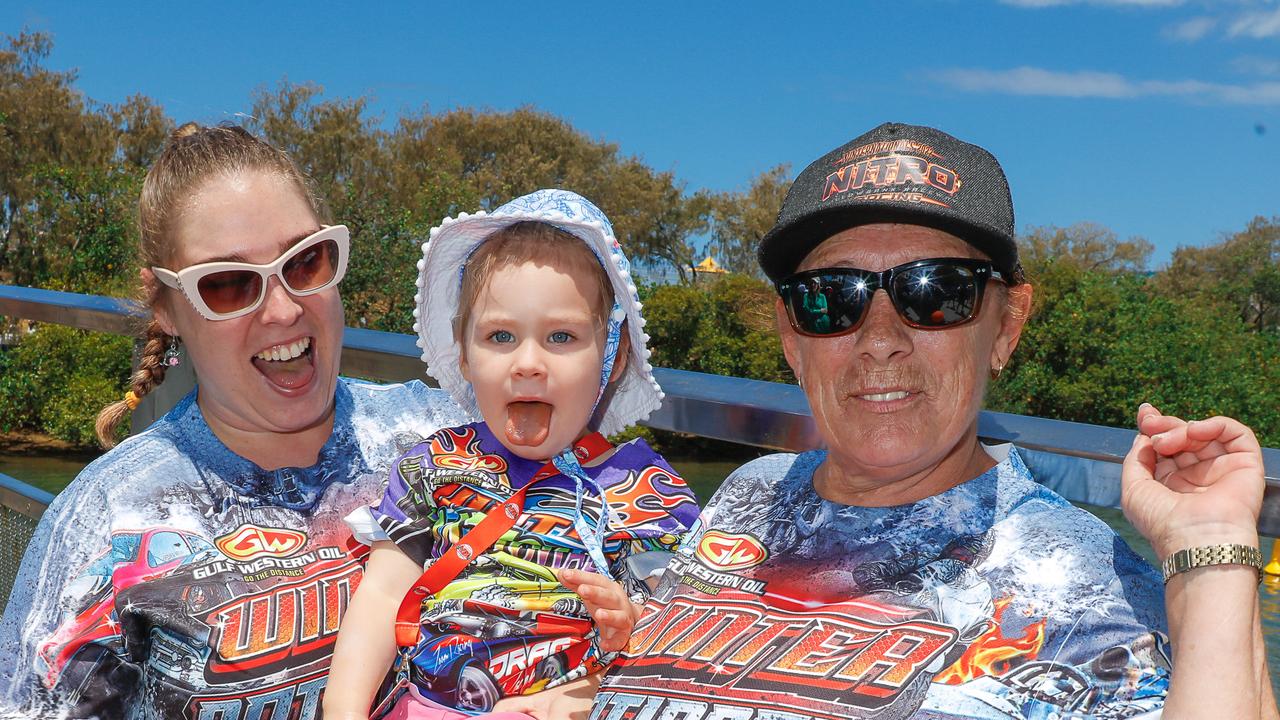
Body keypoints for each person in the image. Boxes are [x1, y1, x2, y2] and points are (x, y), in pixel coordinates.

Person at [592, 122, 1278, 719]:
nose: (880, 338)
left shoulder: (1086, 586)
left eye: (937, 292)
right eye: (832, 299)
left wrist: (1211, 554)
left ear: (1007, 327)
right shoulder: (752, 492)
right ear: (791, 337)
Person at [0, 123, 467, 720]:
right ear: (166, 306)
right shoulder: (109, 519)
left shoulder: (444, 436)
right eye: (226, 284)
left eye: (304, 261)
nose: (282, 309)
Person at [324, 190, 699, 720]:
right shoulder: (437, 462)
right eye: (500, 335)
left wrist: (628, 623)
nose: (528, 362)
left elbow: (680, 627)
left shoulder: (644, 488)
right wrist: (343, 711)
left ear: (610, 361)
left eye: (561, 336)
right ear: (465, 356)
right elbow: (386, 591)